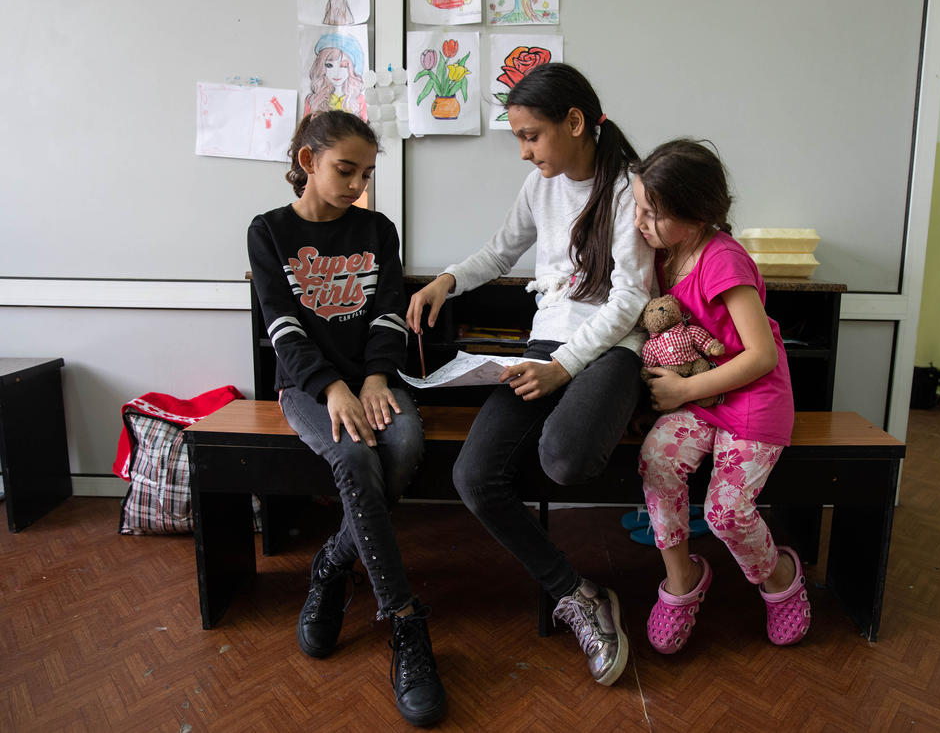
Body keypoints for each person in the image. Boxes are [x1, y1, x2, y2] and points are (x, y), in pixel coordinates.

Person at [407, 63, 655, 687]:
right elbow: (499, 251)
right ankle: (577, 594)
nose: (523, 151)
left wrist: (562, 368)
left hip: (608, 349)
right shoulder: (540, 188)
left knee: (565, 458)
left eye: (531, 135)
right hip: (544, 343)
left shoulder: (630, 188)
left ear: (575, 123)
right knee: (472, 474)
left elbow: (629, 301)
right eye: (517, 136)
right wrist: (446, 279)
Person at [247, 110, 445, 727]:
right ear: (308, 161)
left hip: (375, 380)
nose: (357, 184)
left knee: (406, 446)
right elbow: (281, 327)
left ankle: (332, 566)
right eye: (345, 169)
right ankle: (406, 622)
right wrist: (333, 388)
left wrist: (377, 378)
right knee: (355, 457)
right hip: (308, 387)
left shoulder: (377, 229)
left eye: (366, 172)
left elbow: (389, 311)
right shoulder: (268, 231)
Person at [631, 139, 811, 654]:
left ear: (696, 213)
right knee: (657, 463)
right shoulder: (668, 255)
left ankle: (779, 577)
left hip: (752, 396)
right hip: (704, 397)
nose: (640, 222)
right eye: (639, 208)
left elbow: (760, 357)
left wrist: (684, 388)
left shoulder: (723, 260)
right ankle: (682, 580)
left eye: (652, 213)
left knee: (726, 511)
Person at [305, 32, 368, 119]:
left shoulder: (359, 101)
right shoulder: (312, 100)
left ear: (351, 69)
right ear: (321, 67)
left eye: (344, 66)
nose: (336, 72)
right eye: (329, 65)